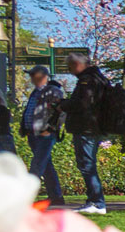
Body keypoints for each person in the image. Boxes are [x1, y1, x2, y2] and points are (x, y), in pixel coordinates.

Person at [58, 51, 109, 214]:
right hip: (95, 127)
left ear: (78, 65)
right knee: (88, 163)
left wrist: (63, 104)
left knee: (87, 164)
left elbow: (83, 104)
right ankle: (93, 200)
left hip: (86, 128)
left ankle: (97, 202)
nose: (69, 70)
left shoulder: (88, 81)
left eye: (70, 66)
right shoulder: (99, 79)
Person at [22, 66, 67, 206]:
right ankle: (56, 196)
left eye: (33, 74)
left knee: (37, 165)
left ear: (42, 76)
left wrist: (52, 128)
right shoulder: (36, 92)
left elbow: (61, 112)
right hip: (33, 134)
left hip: (45, 134)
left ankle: (25, 197)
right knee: (46, 166)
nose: (31, 78)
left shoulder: (53, 92)